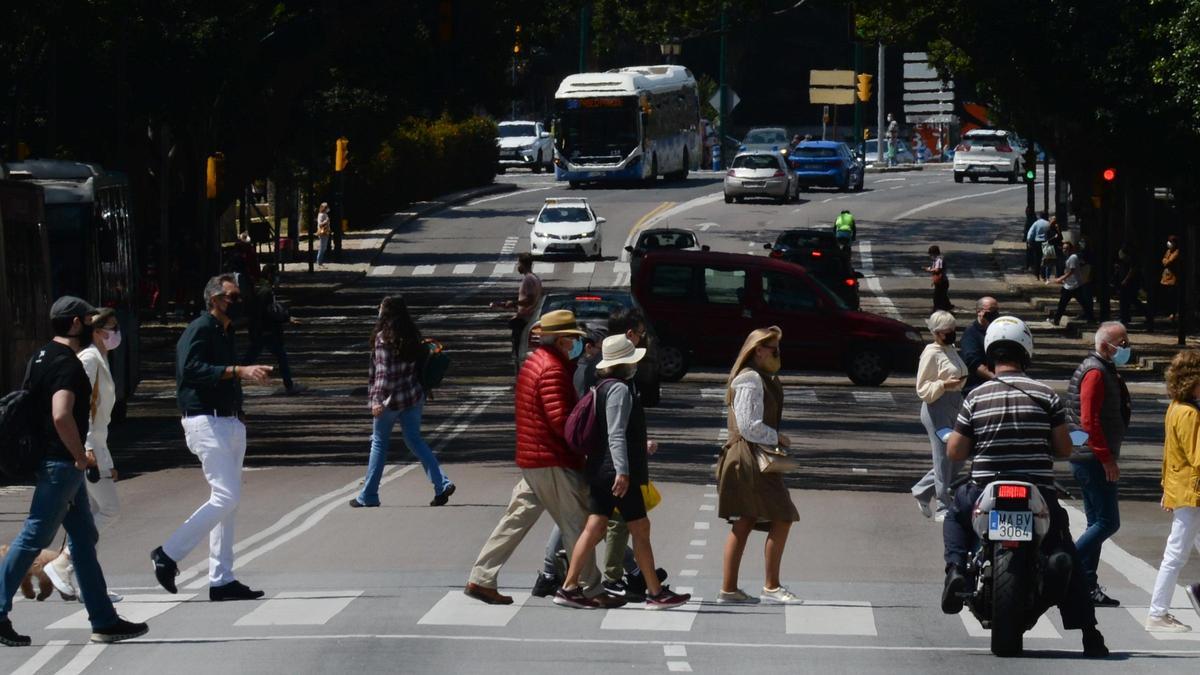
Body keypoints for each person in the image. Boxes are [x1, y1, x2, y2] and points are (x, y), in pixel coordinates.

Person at [940, 316, 1108, 657]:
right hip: (1037, 491)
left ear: (990, 354)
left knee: (955, 515)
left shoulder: (975, 397)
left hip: (984, 487)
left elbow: (955, 451)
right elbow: (1063, 448)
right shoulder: (1047, 396)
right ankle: (1090, 633)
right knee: (1067, 549)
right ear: (1026, 352)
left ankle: (956, 569)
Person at [0, 297, 148, 647]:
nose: (96, 326)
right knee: (34, 536)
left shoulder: (40, 356)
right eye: (89, 319)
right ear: (76, 324)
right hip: (61, 464)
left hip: (53, 462)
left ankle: (104, 620)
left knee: (83, 540)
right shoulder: (68, 365)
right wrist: (79, 456)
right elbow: (61, 414)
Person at [465, 310, 609, 606]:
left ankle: (481, 578)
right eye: (571, 338)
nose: (575, 344)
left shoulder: (535, 362)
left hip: (533, 455)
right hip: (551, 458)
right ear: (560, 339)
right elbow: (560, 420)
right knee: (576, 523)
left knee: (515, 519)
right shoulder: (553, 369)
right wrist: (586, 441)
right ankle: (589, 588)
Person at [151, 274, 271, 602]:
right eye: (232, 297)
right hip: (205, 422)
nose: (238, 301)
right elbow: (190, 370)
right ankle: (167, 554)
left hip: (228, 421)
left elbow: (220, 373)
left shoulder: (224, 331)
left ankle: (222, 579)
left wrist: (238, 407)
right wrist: (238, 371)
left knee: (227, 506)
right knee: (225, 497)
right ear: (214, 299)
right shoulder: (199, 329)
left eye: (239, 296)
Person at [554, 336, 690, 610]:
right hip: (615, 472)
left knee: (596, 526)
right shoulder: (619, 390)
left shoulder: (602, 386)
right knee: (639, 527)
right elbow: (615, 434)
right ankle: (654, 593)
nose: (636, 364)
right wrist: (623, 471)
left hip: (601, 468)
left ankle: (569, 587)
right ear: (624, 363)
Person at [716, 326, 802, 604]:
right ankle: (771, 586)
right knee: (782, 515)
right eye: (773, 349)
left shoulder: (758, 377)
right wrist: (778, 437)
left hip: (751, 455)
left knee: (746, 519)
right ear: (758, 350)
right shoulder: (751, 379)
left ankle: (730, 589)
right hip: (750, 456)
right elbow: (748, 426)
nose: (777, 354)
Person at [45, 308, 125, 603]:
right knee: (108, 509)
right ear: (96, 331)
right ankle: (62, 563)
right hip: (90, 445)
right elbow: (83, 409)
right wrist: (89, 448)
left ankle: (89, 586)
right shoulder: (90, 359)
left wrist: (108, 458)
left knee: (88, 516)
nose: (116, 334)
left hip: (98, 444)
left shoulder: (101, 359)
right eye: (111, 328)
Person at [352, 295, 454, 508]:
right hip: (413, 396)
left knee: (379, 443)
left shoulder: (383, 338)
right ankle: (442, 483)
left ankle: (369, 495)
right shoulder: (411, 335)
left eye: (380, 307)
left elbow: (383, 374)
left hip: (389, 401)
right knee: (415, 440)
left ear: (385, 313)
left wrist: (376, 401)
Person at [1067, 322, 1132, 607]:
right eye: (1123, 342)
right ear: (1106, 346)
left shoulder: (1103, 368)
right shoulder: (1095, 372)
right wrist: (1106, 458)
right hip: (1092, 457)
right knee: (1108, 522)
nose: (1127, 347)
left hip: (1089, 455)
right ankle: (1065, 565)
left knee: (1096, 522)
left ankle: (1086, 585)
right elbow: (1089, 421)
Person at [1146, 350, 1200, 632]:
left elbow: (1170, 455)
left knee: (1179, 551)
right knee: (1176, 554)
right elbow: (1197, 456)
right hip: (1193, 493)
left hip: (1184, 490)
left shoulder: (1176, 408)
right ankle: (1157, 613)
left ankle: (1193, 594)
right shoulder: (1189, 413)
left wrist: (1167, 489)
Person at [910, 311, 968, 521]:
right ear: (936, 333)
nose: (952, 334)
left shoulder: (950, 349)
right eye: (947, 331)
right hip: (937, 406)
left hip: (956, 404)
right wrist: (944, 384)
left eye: (953, 329)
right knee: (943, 458)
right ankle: (943, 505)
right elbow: (922, 388)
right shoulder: (931, 353)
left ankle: (922, 490)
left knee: (959, 456)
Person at [242, 264, 304, 395]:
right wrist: (286, 318)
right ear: (269, 275)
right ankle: (289, 386)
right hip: (267, 331)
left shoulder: (262, 289)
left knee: (250, 358)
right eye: (275, 274)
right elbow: (270, 312)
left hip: (261, 331)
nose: (277, 277)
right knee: (281, 358)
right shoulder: (266, 291)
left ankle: (229, 382)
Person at [496, 252, 542, 365]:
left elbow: (530, 299)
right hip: (530, 317)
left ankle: (518, 370)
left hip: (525, 319)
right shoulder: (535, 278)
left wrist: (514, 303)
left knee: (518, 348)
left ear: (523, 264)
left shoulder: (529, 280)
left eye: (519, 264)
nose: (518, 267)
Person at [1049, 241, 1096, 325]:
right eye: (1063, 248)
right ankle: (1056, 320)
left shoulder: (1073, 257)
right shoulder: (1068, 257)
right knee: (1063, 304)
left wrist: (1061, 278)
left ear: (1071, 249)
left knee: (1080, 303)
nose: (1064, 250)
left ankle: (1091, 318)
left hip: (1074, 285)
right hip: (1069, 285)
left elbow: (1072, 271)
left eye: (1066, 249)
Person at [960, 297, 999, 395]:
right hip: (976, 388)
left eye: (996, 311)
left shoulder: (998, 330)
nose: (994, 315)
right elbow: (974, 363)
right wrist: (997, 379)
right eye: (991, 311)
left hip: (995, 387)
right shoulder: (971, 333)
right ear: (979, 312)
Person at [1115, 246, 1145, 326]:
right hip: (1125, 283)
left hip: (1130, 283)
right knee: (1126, 301)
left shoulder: (1132, 261)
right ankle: (1125, 317)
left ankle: (1146, 312)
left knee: (1130, 300)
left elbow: (1132, 271)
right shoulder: (1123, 262)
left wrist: (1126, 280)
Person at [1159, 235, 1181, 325]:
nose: (1169, 243)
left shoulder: (1177, 252)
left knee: (1173, 297)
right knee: (1167, 296)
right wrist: (1165, 261)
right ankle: (1169, 312)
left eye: (1171, 242)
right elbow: (1163, 260)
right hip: (1165, 278)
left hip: (1173, 279)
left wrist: (1166, 261)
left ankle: (1173, 314)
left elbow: (1169, 262)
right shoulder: (1168, 251)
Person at [924, 245, 952, 312]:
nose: (930, 256)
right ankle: (947, 307)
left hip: (942, 282)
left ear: (934, 253)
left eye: (931, 254)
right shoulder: (937, 260)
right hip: (942, 281)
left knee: (937, 297)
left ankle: (937, 309)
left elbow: (937, 270)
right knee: (943, 296)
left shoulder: (939, 260)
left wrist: (929, 270)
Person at [1025, 213, 1050, 280]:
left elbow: (1030, 233)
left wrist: (1029, 241)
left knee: (1037, 259)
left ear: (1040, 217)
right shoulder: (1048, 224)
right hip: (1046, 242)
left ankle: (1037, 275)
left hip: (1037, 242)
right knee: (1045, 259)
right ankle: (1044, 275)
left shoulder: (1036, 223)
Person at [315, 202, 332, 267]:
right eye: (326, 207)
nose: (328, 208)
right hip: (322, 233)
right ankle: (319, 262)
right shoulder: (321, 214)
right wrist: (326, 221)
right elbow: (320, 224)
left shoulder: (325, 214)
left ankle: (320, 262)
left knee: (324, 248)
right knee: (322, 247)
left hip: (326, 232)